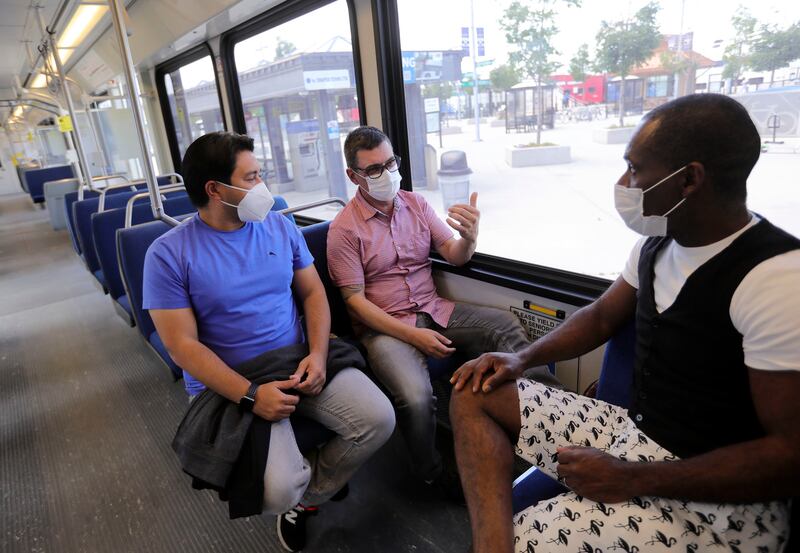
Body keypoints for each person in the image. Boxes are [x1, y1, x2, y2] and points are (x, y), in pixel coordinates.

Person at [449, 94, 800, 553]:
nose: (624, 182)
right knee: (475, 388)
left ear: (689, 179)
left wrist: (631, 477)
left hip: (720, 503)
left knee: (532, 535)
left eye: (635, 169)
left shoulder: (775, 278)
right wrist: (521, 357)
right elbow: (599, 318)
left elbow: (788, 456)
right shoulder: (657, 246)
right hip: (636, 433)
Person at [142, 132, 395, 552]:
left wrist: (316, 354)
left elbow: (313, 294)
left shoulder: (279, 226)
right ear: (216, 190)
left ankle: (309, 496)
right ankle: (293, 499)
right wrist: (250, 396)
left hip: (296, 357)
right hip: (232, 382)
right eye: (253, 176)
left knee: (378, 419)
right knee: (278, 490)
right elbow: (183, 347)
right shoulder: (168, 254)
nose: (264, 186)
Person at [327, 126, 561, 488]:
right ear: (353, 176)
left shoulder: (416, 205)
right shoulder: (344, 230)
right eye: (374, 169)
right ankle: (430, 474)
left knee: (504, 325)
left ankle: (556, 419)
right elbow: (355, 303)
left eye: (390, 163)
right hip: (386, 326)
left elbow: (455, 255)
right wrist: (414, 337)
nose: (387, 174)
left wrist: (469, 237)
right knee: (416, 398)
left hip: (433, 307)